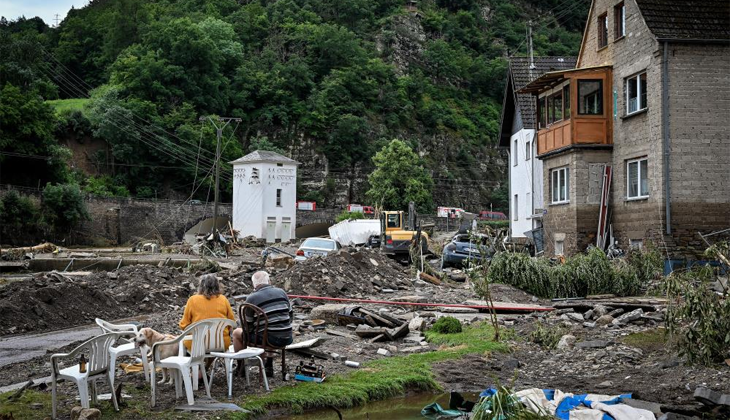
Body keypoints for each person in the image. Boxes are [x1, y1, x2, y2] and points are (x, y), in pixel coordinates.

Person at [233, 271, 293, 374]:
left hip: (268, 339)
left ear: (254, 284)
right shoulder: (282, 292)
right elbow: (290, 316)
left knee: (236, 333)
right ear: (269, 281)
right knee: (267, 329)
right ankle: (269, 364)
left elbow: (248, 326)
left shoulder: (252, 298)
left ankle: (240, 367)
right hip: (287, 337)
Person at [179, 274, 236, 351]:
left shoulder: (192, 300)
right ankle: (209, 363)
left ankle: (195, 362)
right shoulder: (223, 299)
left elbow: (184, 325)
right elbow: (231, 323)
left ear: (201, 286)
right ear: (217, 286)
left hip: (197, 344)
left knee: (183, 342)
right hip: (221, 343)